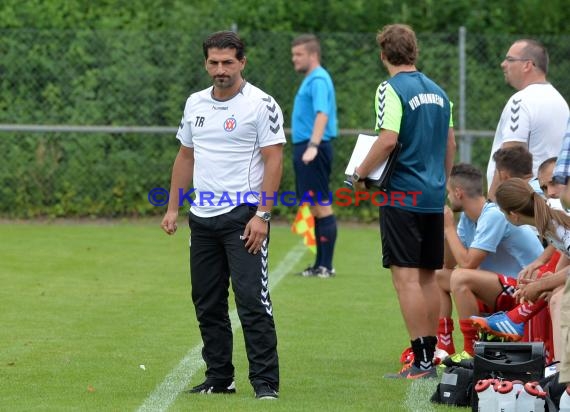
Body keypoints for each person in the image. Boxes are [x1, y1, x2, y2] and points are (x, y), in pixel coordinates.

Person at [160, 31, 285, 400]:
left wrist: (262, 214)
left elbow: (273, 159)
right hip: (202, 218)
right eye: (213, 62)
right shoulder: (195, 103)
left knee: (252, 300)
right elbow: (186, 156)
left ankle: (265, 383)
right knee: (207, 300)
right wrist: (172, 207)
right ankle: (219, 377)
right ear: (205, 63)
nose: (220, 69)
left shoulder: (261, 104)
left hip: (244, 217)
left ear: (242, 62)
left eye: (228, 62)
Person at [352, 24, 456, 379]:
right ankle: (429, 358)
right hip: (431, 195)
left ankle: (421, 359)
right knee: (428, 278)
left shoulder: (390, 88)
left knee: (406, 280)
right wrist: (441, 181)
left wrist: (359, 174)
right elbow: (450, 142)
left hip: (402, 195)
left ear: (384, 55)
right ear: (415, 52)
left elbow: (388, 140)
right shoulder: (440, 93)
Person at [434, 164, 543, 361]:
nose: (448, 198)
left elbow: (467, 264)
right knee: (439, 276)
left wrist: (449, 227)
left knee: (461, 277)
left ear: (458, 193)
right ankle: (444, 346)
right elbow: (448, 264)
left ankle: (472, 350)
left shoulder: (494, 214)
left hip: (528, 288)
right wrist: (447, 230)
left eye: (449, 192)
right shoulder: (468, 219)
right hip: (502, 287)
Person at [493, 178, 570, 382]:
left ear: (513, 215)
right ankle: (559, 370)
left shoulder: (554, 221)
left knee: (559, 299)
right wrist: (552, 280)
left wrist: (543, 284)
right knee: (556, 296)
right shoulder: (549, 216)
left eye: (502, 212)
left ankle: (562, 374)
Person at [486, 39, 569, 200]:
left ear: (527, 65)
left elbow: (510, 156)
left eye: (510, 59)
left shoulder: (521, 100)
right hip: (551, 199)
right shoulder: (561, 102)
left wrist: (491, 203)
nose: (503, 64)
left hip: (522, 203)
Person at [291, 34, 338, 278]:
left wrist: (313, 145)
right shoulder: (312, 79)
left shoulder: (319, 78)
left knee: (321, 205)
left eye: (299, 54)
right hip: (307, 147)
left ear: (313, 55)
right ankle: (320, 264)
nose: (294, 59)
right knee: (315, 206)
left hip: (313, 148)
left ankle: (326, 266)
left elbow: (322, 114)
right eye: (293, 54)